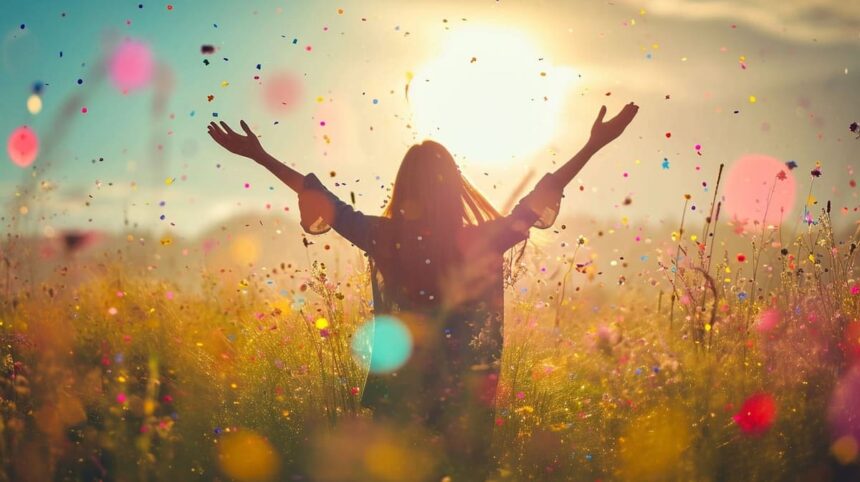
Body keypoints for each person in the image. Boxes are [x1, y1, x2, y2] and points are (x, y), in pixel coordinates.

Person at [208, 102, 639, 480]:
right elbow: (535, 203)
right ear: (453, 186)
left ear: (404, 187)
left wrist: (260, 156)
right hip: (464, 399)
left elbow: (320, 198)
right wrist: (592, 145)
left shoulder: (381, 236)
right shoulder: (476, 242)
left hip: (397, 394)